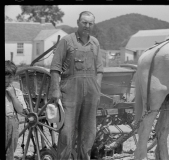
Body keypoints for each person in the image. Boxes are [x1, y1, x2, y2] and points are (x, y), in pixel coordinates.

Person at [50, 11, 103, 160]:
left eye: (90, 23)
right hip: (70, 92)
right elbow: (55, 67)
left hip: (91, 93)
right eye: (84, 22)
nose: (87, 26)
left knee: (89, 132)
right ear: (78, 22)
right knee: (66, 132)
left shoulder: (95, 43)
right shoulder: (67, 41)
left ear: (93, 25)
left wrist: (97, 90)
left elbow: (100, 70)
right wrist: (55, 91)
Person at [5, 60, 27, 160]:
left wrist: (13, 96)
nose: (7, 80)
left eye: (9, 77)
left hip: (12, 122)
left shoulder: (17, 92)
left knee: (11, 148)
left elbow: (20, 110)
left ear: (13, 77)